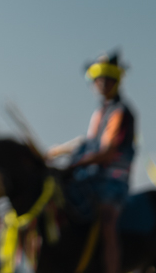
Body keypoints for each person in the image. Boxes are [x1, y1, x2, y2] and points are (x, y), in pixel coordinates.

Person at [49, 51, 136, 273]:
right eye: (99, 80)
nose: (102, 84)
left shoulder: (122, 112)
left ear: (115, 81)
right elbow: (87, 143)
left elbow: (107, 152)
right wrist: (58, 151)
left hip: (112, 182)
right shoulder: (99, 113)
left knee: (107, 223)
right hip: (90, 177)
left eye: (107, 80)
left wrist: (74, 166)